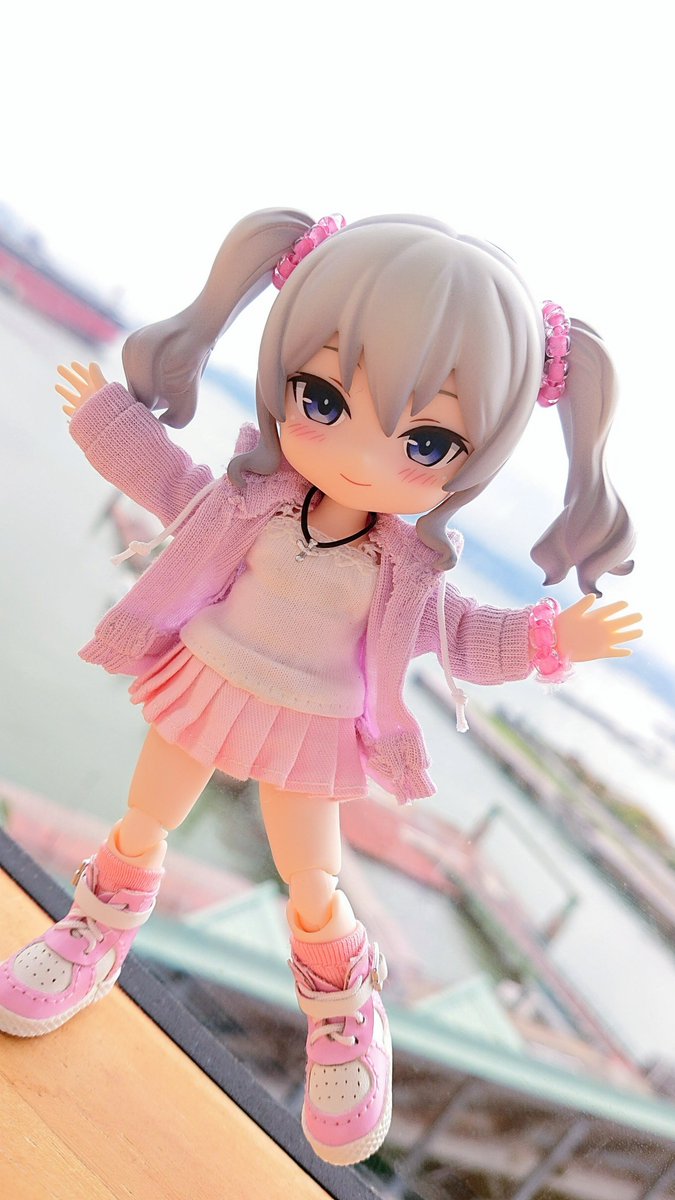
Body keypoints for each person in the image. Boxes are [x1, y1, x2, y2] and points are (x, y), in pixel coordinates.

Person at [0, 210, 641, 1166]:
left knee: (311, 877)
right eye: (324, 397)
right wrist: (105, 415)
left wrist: (552, 639)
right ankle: (95, 933)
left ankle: (344, 1008)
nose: (364, 455)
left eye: (427, 442)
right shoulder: (250, 500)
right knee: (144, 820)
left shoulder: (403, 574)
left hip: (310, 727)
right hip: (207, 676)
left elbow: (465, 635)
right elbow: (170, 482)